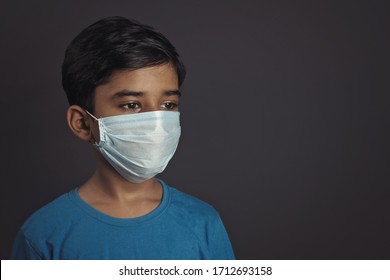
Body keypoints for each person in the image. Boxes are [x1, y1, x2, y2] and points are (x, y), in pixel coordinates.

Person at [11, 16, 235, 260]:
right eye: (131, 105)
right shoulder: (43, 236)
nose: (156, 123)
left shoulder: (203, 223)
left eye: (168, 104)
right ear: (83, 123)